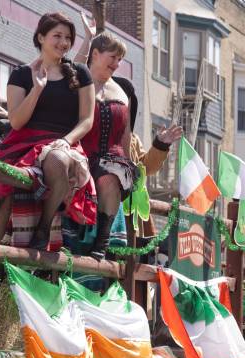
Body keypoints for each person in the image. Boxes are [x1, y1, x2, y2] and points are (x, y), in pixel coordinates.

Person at [0, 12, 96, 251]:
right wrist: (37, 89)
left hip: (65, 144)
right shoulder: (21, 74)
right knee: (6, 188)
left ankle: (43, 228)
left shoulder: (80, 74)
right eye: (57, 36)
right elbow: (17, 122)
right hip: (22, 145)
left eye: (68, 37)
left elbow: (87, 120)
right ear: (41, 37)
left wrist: (65, 141)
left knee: (56, 160)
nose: (64, 42)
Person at [76, 22, 182, 259]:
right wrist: (87, 38)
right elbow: (72, 74)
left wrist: (161, 144)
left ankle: (103, 245)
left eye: (119, 60)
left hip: (125, 208)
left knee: (113, 176)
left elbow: (146, 166)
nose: (116, 64)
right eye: (112, 58)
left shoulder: (131, 141)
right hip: (82, 163)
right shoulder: (81, 83)